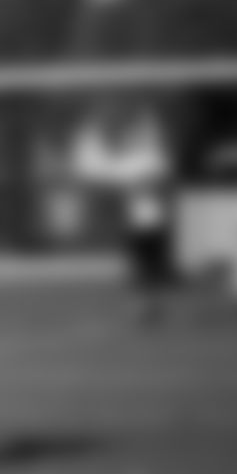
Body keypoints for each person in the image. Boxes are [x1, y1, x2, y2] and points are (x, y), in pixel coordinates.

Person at [70, 106, 177, 325]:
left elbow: (156, 183)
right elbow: (105, 174)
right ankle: (146, 307)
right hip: (138, 224)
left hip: (152, 223)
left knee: (149, 268)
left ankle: (149, 306)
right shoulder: (138, 163)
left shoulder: (148, 162)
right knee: (142, 268)